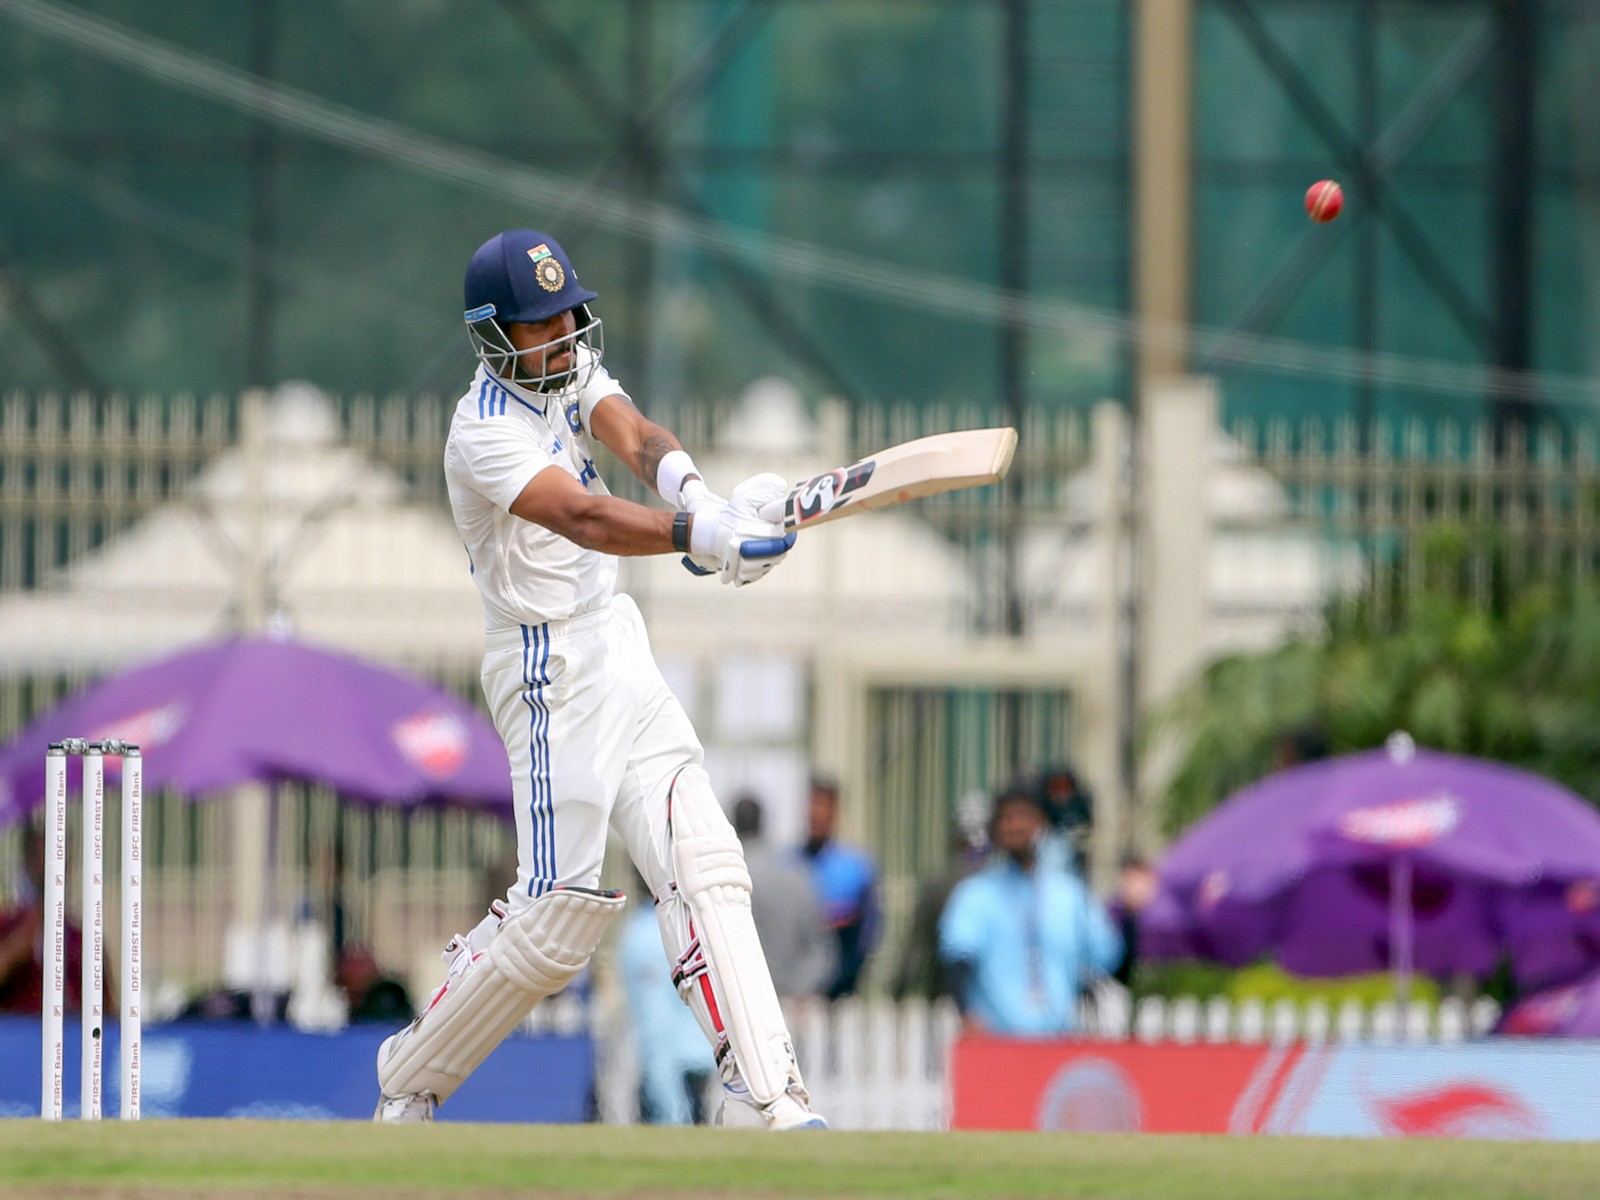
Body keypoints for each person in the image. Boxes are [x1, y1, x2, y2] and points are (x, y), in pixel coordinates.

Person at [373, 229, 826, 1130]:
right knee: (559, 919)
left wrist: (697, 493)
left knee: (703, 860)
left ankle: (763, 1096)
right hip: (548, 670)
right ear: (495, 338)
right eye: (541, 325)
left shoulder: (567, 365)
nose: (564, 334)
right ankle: (410, 1078)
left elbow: (635, 433)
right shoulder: (483, 434)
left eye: (569, 314)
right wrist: (699, 540)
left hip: (616, 641)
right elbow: (581, 514)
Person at [938, 785, 1122, 1036]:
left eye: (1024, 816)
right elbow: (958, 959)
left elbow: (1106, 955)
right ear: (995, 829)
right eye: (1007, 818)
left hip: (1058, 1042)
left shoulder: (1070, 894)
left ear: (1041, 824)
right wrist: (966, 1014)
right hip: (994, 1043)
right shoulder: (974, 895)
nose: (1015, 826)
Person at [618, 877, 716, 1125]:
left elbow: (655, 1022)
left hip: (673, 1072)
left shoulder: (644, 935)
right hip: (701, 1062)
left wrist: (670, 1110)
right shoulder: (695, 924)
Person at [0, 821, 114, 1017]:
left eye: (61, 859)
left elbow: (107, 1008)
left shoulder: (81, 938)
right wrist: (19, 943)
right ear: (27, 862)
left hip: (71, 1037)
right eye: (42, 858)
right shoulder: (7, 924)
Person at [730, 795, 834, 1001]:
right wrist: (799, 988)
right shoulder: (798, 874)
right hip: (796, 1003)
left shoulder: (731, 878)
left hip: (746, 1002)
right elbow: (822, 953)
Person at [798, 777, 880, 1000]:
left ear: (835, 811)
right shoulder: (791, 865)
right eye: (812, 805)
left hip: (840, 987)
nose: (816, 814)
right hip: (794, 988)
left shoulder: (855, 867)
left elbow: (868, 930)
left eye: (823, 806)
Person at [889, 821, 987, 1003]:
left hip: (948, 994)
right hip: (981, 1000)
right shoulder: (942, 884)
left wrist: (898, 989)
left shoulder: (940, 883)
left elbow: (915, 945)